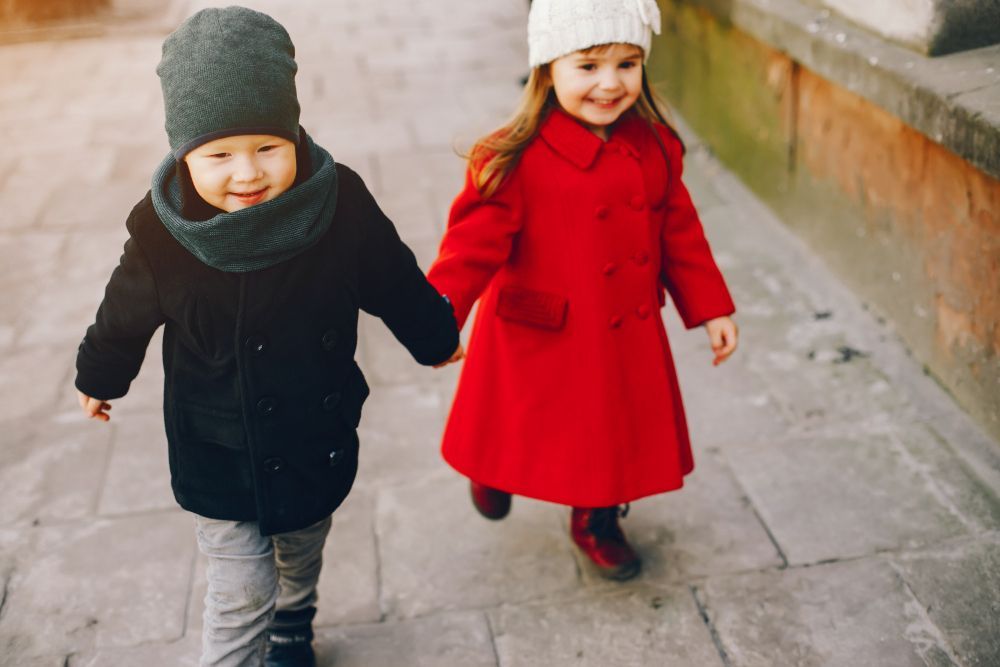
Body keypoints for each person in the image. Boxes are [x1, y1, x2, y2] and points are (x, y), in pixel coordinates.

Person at [73, 7, 461, 666]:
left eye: (267, 148)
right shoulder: (161, 230)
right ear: (184, 151)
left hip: (314, 428)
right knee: (239, 590)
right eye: (218, 155)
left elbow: (392, 277)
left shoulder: (339, 204)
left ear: (295, 134)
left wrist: (435, 336)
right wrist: (101, 374)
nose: (246, 173)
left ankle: (295, 618)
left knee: (302, 546)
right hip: (215, 442)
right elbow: (125, 309)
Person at [426, 0, 738, 581]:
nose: (610, 83)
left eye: (627, 63)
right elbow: (469, 249)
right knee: (519, 419)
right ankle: (492, 467)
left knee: (608, 428)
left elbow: (680, 231)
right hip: (539, 327)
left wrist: (711, 307)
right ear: (548, 68)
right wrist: (436, 316)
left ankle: (596, 518)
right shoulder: (511, 156)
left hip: (619, 328)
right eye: (588, 65)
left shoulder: (655, 146)